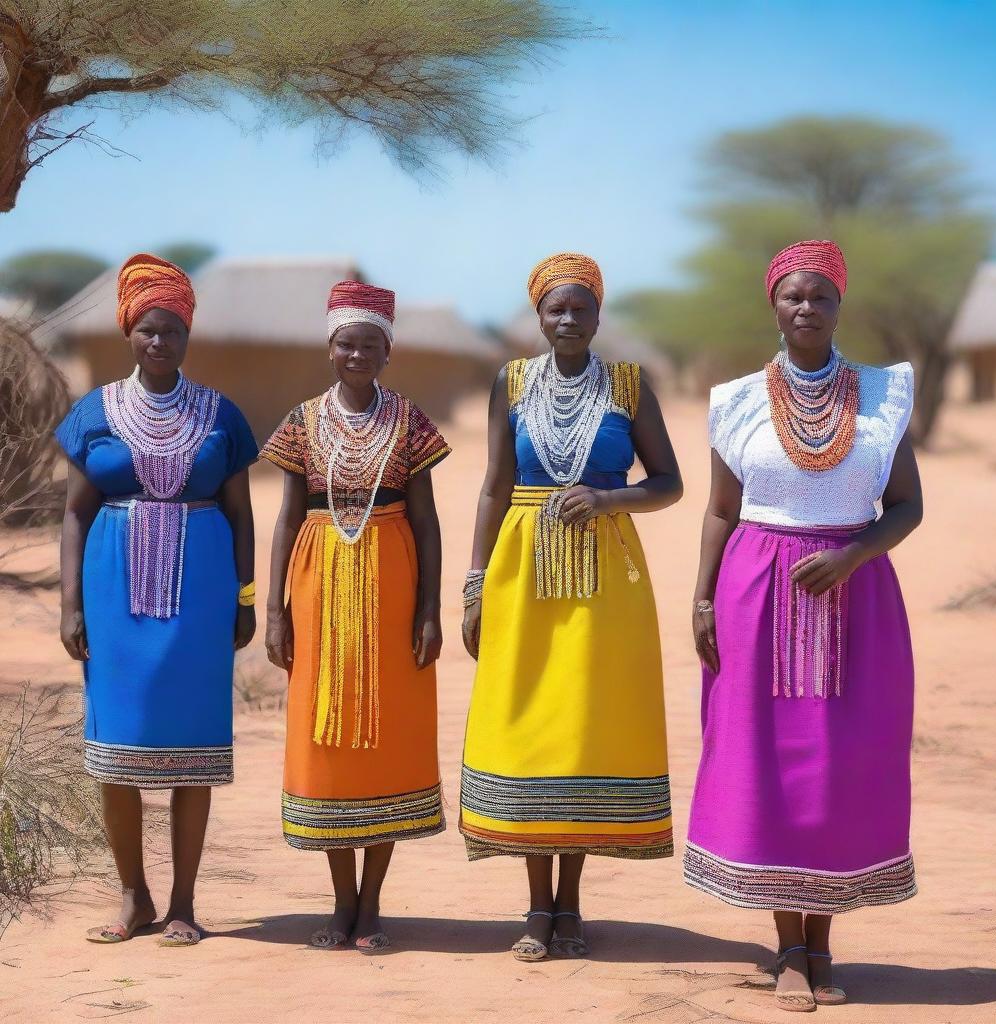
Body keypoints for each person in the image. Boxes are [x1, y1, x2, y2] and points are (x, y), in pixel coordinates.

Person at [684, 240, 922, 1011]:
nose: (807, 308)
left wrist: (852, 556)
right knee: (769, 766)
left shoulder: (884, 395)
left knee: (841, 766)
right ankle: (790, 947)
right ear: (774, 305)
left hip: (858, 602)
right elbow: (721, 509)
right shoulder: (738, 401)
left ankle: (826, 942)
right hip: (756, 596)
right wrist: (702, 598)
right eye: (794, 296)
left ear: (839, 304)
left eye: (821, 296)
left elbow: (907, 505)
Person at [460, 253, 683, 961]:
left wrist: (611, 497)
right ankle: (535, 907)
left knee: (583, 727)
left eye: (580, 309)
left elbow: (670, 482)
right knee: (531, 727)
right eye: (555, 309)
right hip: (522, 573)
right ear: (538, 317)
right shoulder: (512, 383)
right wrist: (474, 584)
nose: (567, 320)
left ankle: (573, 905)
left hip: (606, 579)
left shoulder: (628, 385)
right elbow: (495, 486)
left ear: (597, 316)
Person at [56, 253, 258, 947]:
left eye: (171, 330)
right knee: (119, 744)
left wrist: (246, 596)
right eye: (147, 329)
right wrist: (70, 605)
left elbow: (240, 511)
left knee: (191, 746)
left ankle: (183, 904)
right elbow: (77, 512)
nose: (159, 342)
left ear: (187, 335)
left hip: (199, 600)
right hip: (114, 599)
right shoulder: (96, 411)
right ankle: (132, 895)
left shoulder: (219, 414)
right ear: (128, 333)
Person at [262, 280, 448, 954]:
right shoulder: (301, 421)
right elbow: (286, 517)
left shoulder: (409, 420)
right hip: (318, 589)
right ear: (330, 348)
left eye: (371, 343)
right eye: (347, 342)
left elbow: (426, 521)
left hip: (393, 587)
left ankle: (373, 904)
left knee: (387, 738)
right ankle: (341, 899)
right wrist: (277, 611)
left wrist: (428, 607)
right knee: (327, 740)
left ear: (387, 351)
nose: (357, 353)